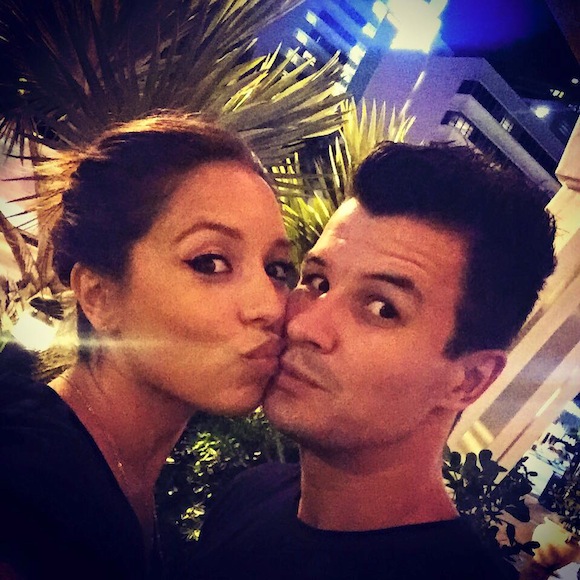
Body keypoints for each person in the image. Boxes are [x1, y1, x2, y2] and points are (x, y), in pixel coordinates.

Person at [191, 142, 557, 579]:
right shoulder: (250, 496)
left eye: (383, 308)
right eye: (317, 281)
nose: (304, 326)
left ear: (469, 380)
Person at [0, 113, 294, 579]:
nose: (270, 306)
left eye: (276, 269)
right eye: (210, 262)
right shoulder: (25, 485)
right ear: (99, 295)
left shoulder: (125, 488)